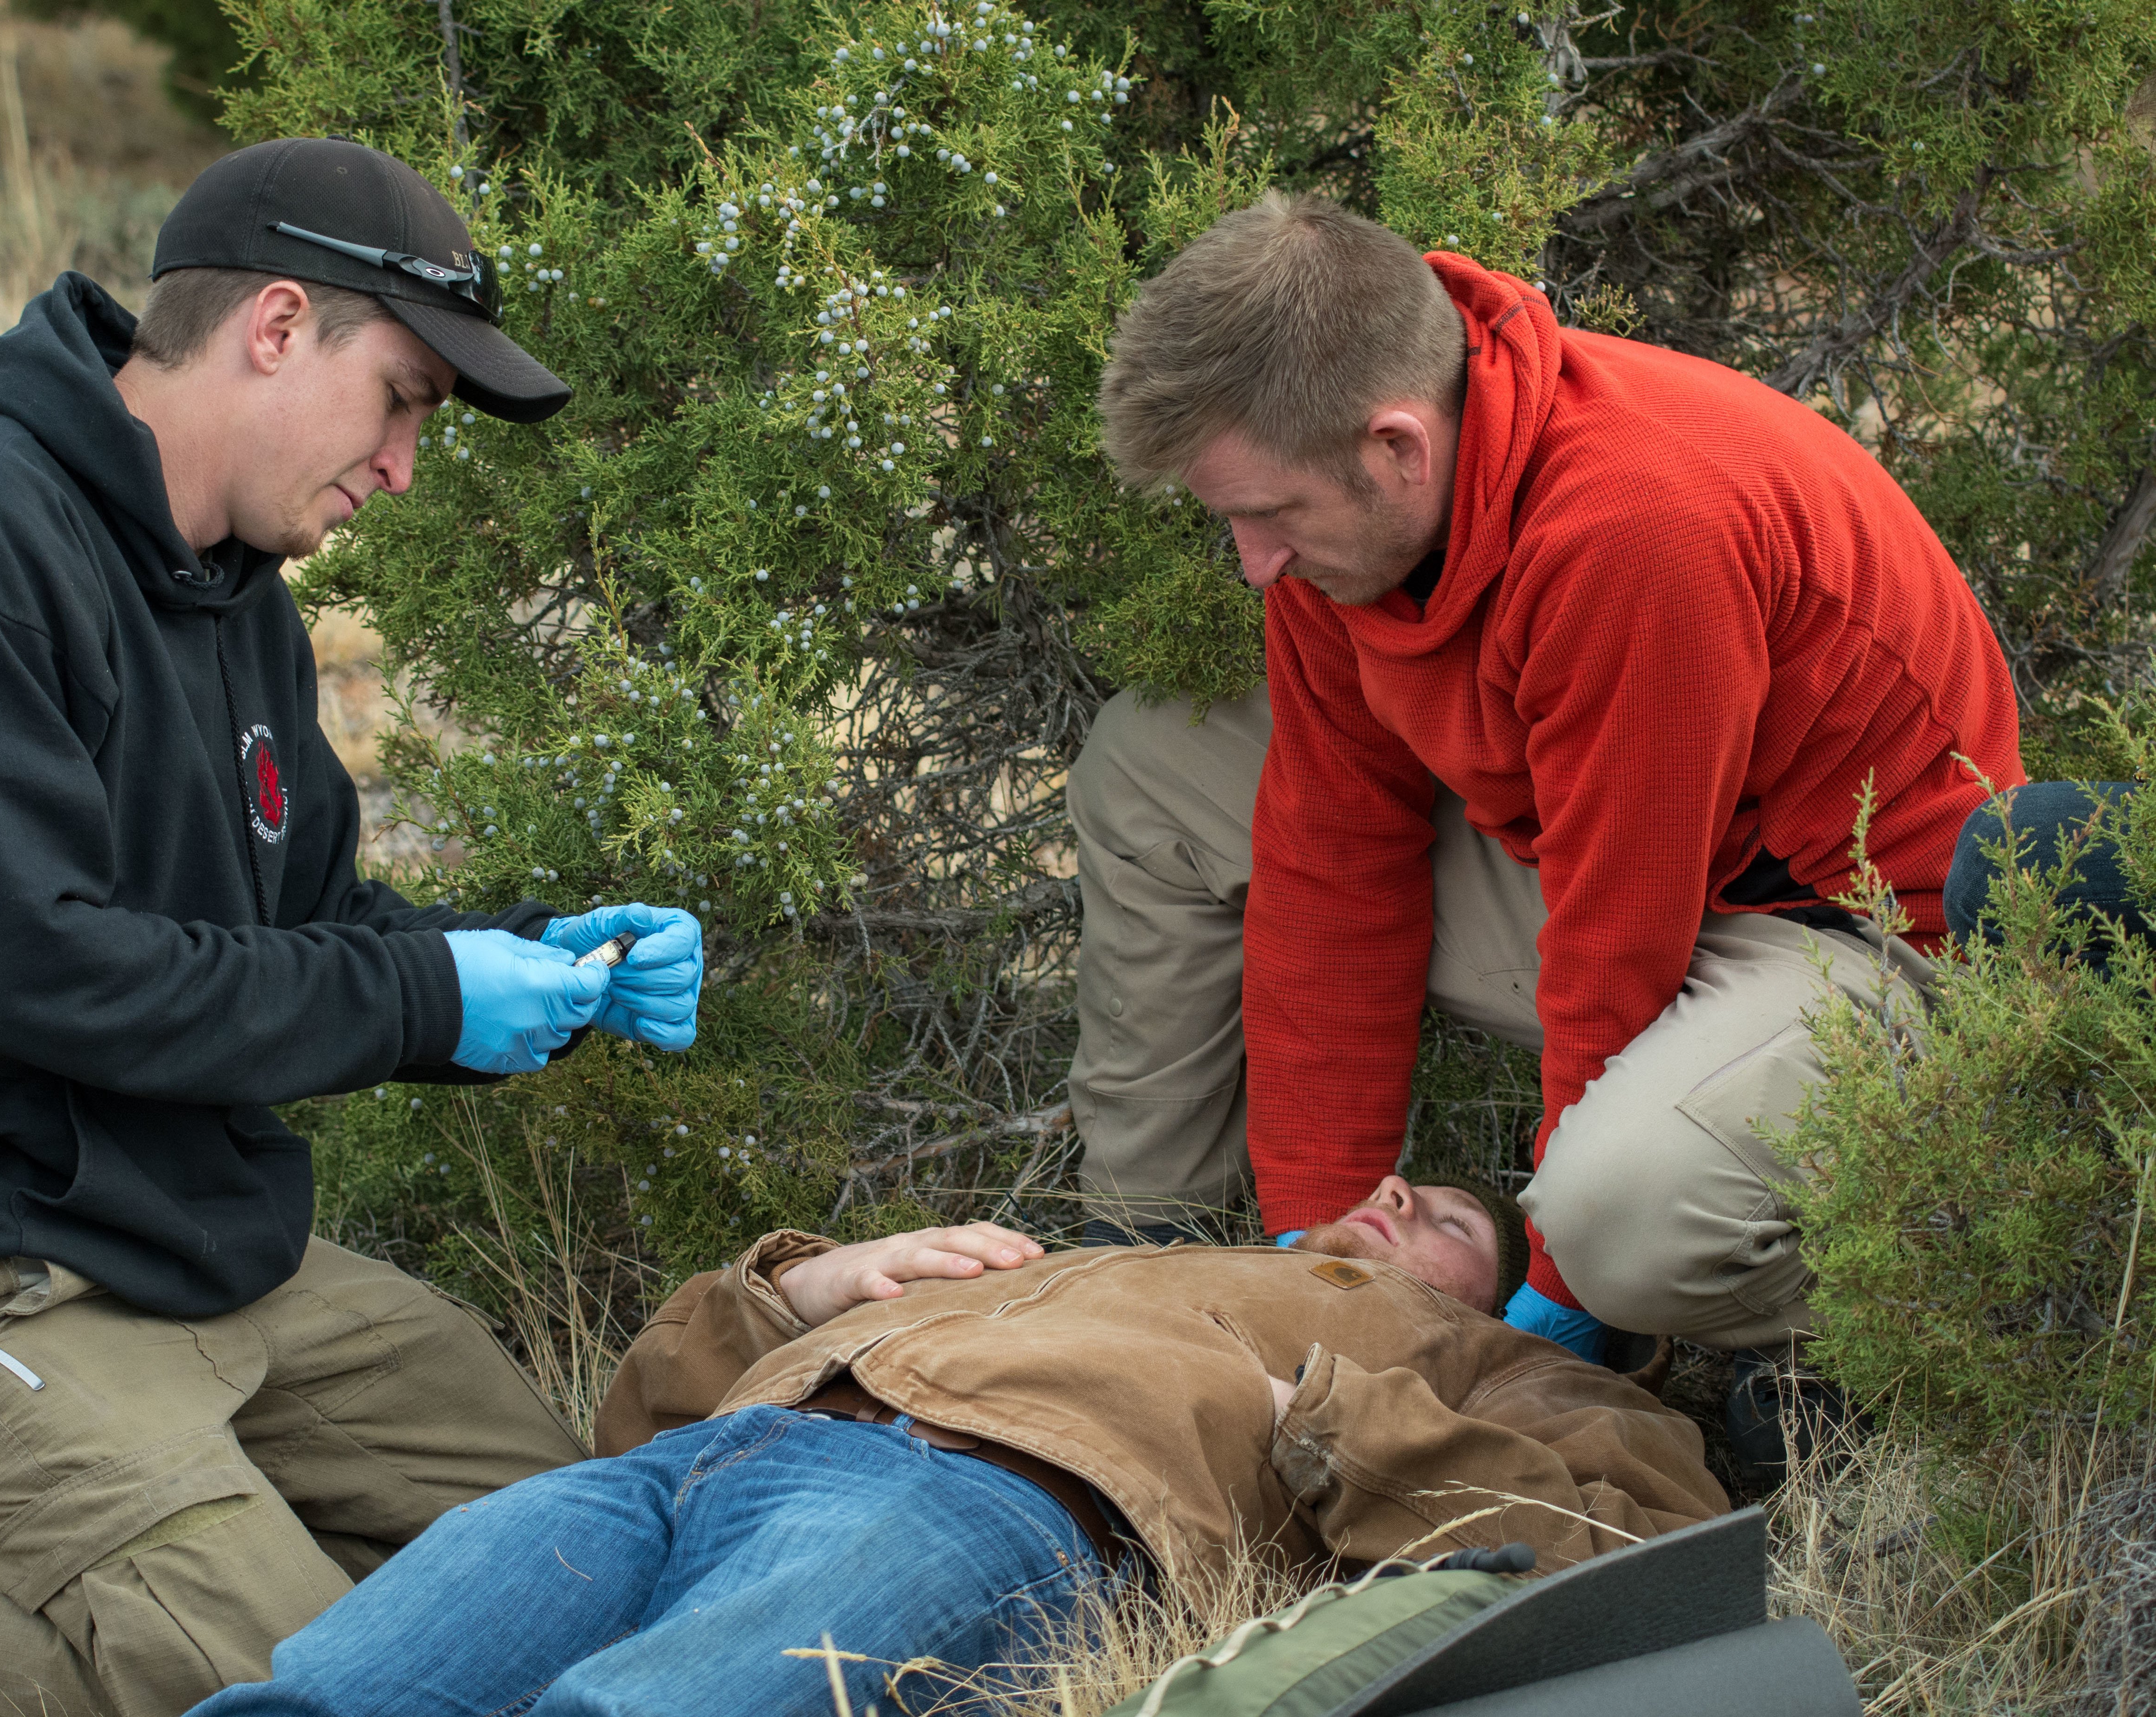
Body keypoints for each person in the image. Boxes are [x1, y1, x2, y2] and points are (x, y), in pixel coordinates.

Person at [0, 137, 705, 1717]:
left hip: (180, 1234)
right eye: (405, 398)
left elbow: (320, 916)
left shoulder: (235, 593)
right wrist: (424, 998)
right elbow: (27, 971)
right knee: (294, 1692)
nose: (407, 465)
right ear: (278, 325)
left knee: (560, 1555)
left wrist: (545, 960)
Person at [1068, 192, 2024, 1444]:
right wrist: (1319, 1245)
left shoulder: (1636, 526)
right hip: (1629, 862)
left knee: (1618, 1211)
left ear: (1398, 447)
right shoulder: (1354, 518)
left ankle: (1851, 1321)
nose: (1255, 562)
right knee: (1153, 762)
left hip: (1854, 929)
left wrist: (1561, 1307)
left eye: (1274, 515)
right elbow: (1334, 862)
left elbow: (1613, 949)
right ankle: (1146, 1267)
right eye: (1232, 518)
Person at [183, 1180, 1725, 1717]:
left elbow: (1631, 1548)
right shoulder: (1133, 1257)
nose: (1394, 1197)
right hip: (697, 1467)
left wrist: (1331, 1424)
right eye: (1393, 1181)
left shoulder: (1505, 1369)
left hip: (998, 1497)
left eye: (1445, 1214)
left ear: (1521, 1290)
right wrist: (804, 1285)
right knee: (322, 1695)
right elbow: (638, 1410)